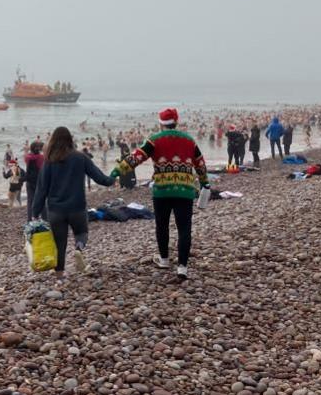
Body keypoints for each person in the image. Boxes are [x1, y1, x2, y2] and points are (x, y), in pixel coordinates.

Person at [113, 109, 209, 280]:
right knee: (184, 228)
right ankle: (182, 268)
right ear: (176, 122)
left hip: (162, 191)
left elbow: (136, 157)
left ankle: (164, 259)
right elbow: (200, 163)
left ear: (160, 123)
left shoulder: (155, 140)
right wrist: (204, 183)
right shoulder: (189, 140)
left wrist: (115, 172)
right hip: (185, 190)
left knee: (162, 225)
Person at [31, 126, 115, 278]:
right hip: (77, 208)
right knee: (82, 232)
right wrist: (113, 178)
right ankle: (78, 248)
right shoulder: (80, 157)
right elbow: (100, 178)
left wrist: (35, 212)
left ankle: (59, 277)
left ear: (53, 141)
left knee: (59, 244)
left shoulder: (49, 160)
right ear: (70, 139)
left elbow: (41, 189)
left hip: (56, 210)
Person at [23, 141, 45, 221]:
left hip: (29, 181)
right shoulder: (41, 157)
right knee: (42, 199)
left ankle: (29, 219)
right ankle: (44, 219)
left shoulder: (27, 157)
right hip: (39, 181)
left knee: (30, 200)